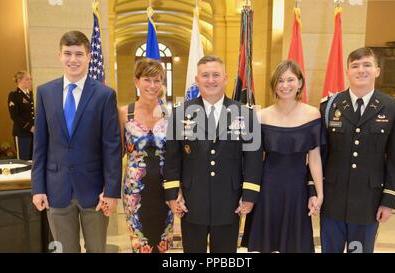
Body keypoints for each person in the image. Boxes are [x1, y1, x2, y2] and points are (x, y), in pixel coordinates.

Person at [31, 30, 122, 253]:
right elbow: (40, 145)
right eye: (68, 53)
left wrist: (111, 191)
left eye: (79, 54)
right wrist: (38, 188)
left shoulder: (104, 95)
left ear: (89, 56)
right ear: (59, 56)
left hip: (95, 192)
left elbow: (111, 147)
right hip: (56, 189)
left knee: (96, 249)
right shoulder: (45, 93)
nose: (73, 59)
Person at [164, 55, 263, 253]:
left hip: (229, 201)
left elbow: (253, 159)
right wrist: (173, 194)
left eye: (216, 75)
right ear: (196, 79)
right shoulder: (181, 113)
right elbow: (172, 159)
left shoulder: (245, 113)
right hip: (192, 202)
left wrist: (250, 195)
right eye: (205, 75)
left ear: (225, 78)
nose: (211, 80)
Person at [320, 47, 395, 253]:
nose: (361, 70)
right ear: (347, 72)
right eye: (355, 66)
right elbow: (320, 155)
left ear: (377, 70)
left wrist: (389, 201)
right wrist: (314, 191)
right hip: (333, 197)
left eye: (367, 65)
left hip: (369, 200)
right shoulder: (330, 106)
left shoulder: (392, 108)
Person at [242, 60, 324, 253]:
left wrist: (319, 193)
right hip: (267, 187)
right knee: (264, 244)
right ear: (274, 85)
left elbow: (314, 157)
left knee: (295, 245)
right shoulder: (261, 116)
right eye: (280, 81)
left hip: (297, 188)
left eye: (290, 80)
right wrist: (248, 194)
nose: (285, 85)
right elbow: (252, 161)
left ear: (300, 83)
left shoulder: (313, 114)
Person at [118, 58, 173, 253]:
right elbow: (116, 153)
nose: (152, 85)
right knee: (140, 244)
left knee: (162, 242)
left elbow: (177, 157)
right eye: (147, 80)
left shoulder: (170, 115)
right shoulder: (125, 114)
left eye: (157, 80)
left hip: (165, 189)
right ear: (136, 81)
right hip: (135, 191)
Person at [8, 71, 34, 160]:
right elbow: (14, 116)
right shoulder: (14, 95)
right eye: (27, 79)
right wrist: (29, 127)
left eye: (30, 79)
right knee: (23, 161)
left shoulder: (30, 94)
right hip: (22, 133)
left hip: (33, 133)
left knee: (33, 161)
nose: (30, 81)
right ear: (20, 80)